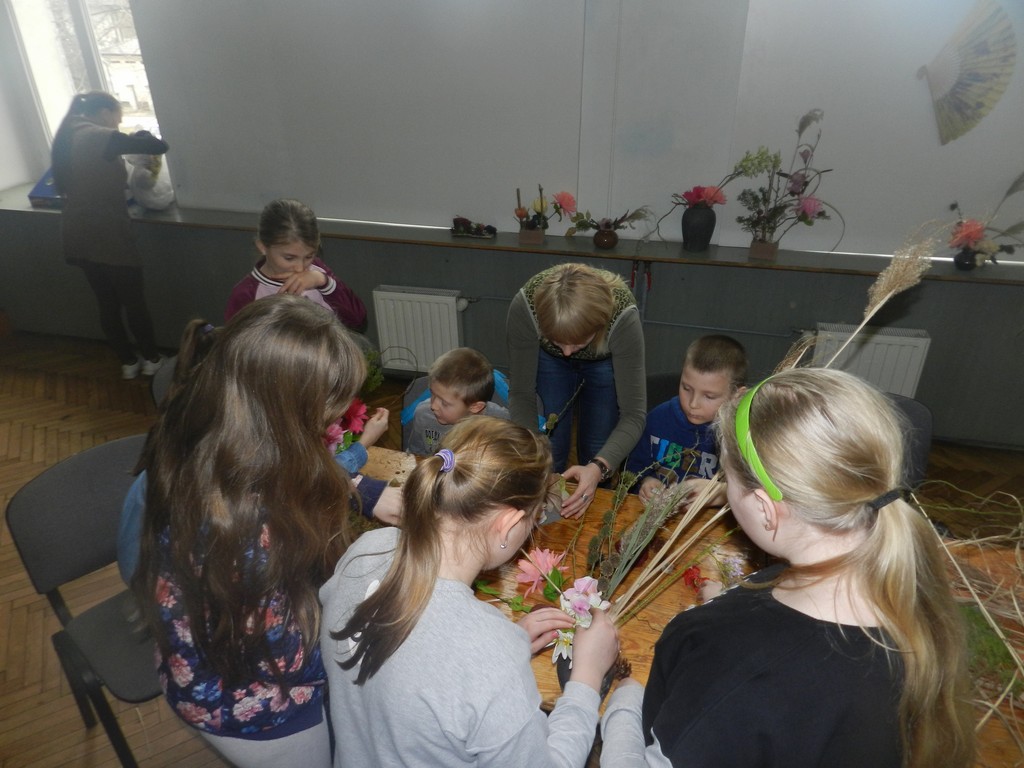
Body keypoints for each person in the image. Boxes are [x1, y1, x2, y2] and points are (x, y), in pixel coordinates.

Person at [599, 368, 975, 768]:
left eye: (727, 478)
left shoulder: (731, 669)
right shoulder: (913, 603)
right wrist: (734, 603)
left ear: (765, 509)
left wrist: (623, 701)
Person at [132, 296, 395, 766]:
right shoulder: (245, 531)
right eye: (327, 411)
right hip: (255, 707)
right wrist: (384, 622)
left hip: (221, 653)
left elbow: (296, 469)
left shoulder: (217, 434)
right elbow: (298, 659)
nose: (338, 420)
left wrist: (366, 490)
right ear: (283, 412)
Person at [321, 417, 620, 768]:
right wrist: (586, 680)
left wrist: (497, 647)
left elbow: (412, 658)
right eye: (535, 516)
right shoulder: (490, 659)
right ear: (508, 523)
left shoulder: (366, 551)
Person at [507, 263, 646, 518]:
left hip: (603, 360)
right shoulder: (525, 308)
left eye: (578, 343)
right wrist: (534, 456)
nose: (568, 352)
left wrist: (599, 467)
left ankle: (592, 506)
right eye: (558, 341)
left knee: (598, 445)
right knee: (551, 446)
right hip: (549, 361)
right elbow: (521, 394)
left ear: (600, 325)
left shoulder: (623, 318)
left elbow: (634, 414)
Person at [50, 91, 169, 380]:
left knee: (107, 302)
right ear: (104, 112)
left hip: (77, 231)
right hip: (107, 232)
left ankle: (127, 362)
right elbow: (159, 146)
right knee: (134, 301)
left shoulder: (68, 133)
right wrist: (140, 134)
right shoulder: (100, 135)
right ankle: (152, 359)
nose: (118, 123)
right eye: (118, 117)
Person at [626, 335, 747, 503]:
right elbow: (633, 470)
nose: (693, 404)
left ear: (736, 396)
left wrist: (720, 494)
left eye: (709, 396)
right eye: (686, 388)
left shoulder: (741, 437)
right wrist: (645, 481)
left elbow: (749, 493)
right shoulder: (656, 420)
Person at [225, 198, 366, 330]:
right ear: (263, 247)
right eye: (289, 258)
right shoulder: (246, 294)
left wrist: (323, 282)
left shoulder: (317, 271)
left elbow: (357, 321)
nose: (300, 268)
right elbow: (236, 344)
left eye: (309, 256)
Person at [405, 346, 509, 455]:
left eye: (444, 403)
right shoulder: (423, 415)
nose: (433, 406)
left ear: (475, 407)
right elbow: (416, 455)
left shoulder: (501, 424)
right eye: (432, 394)